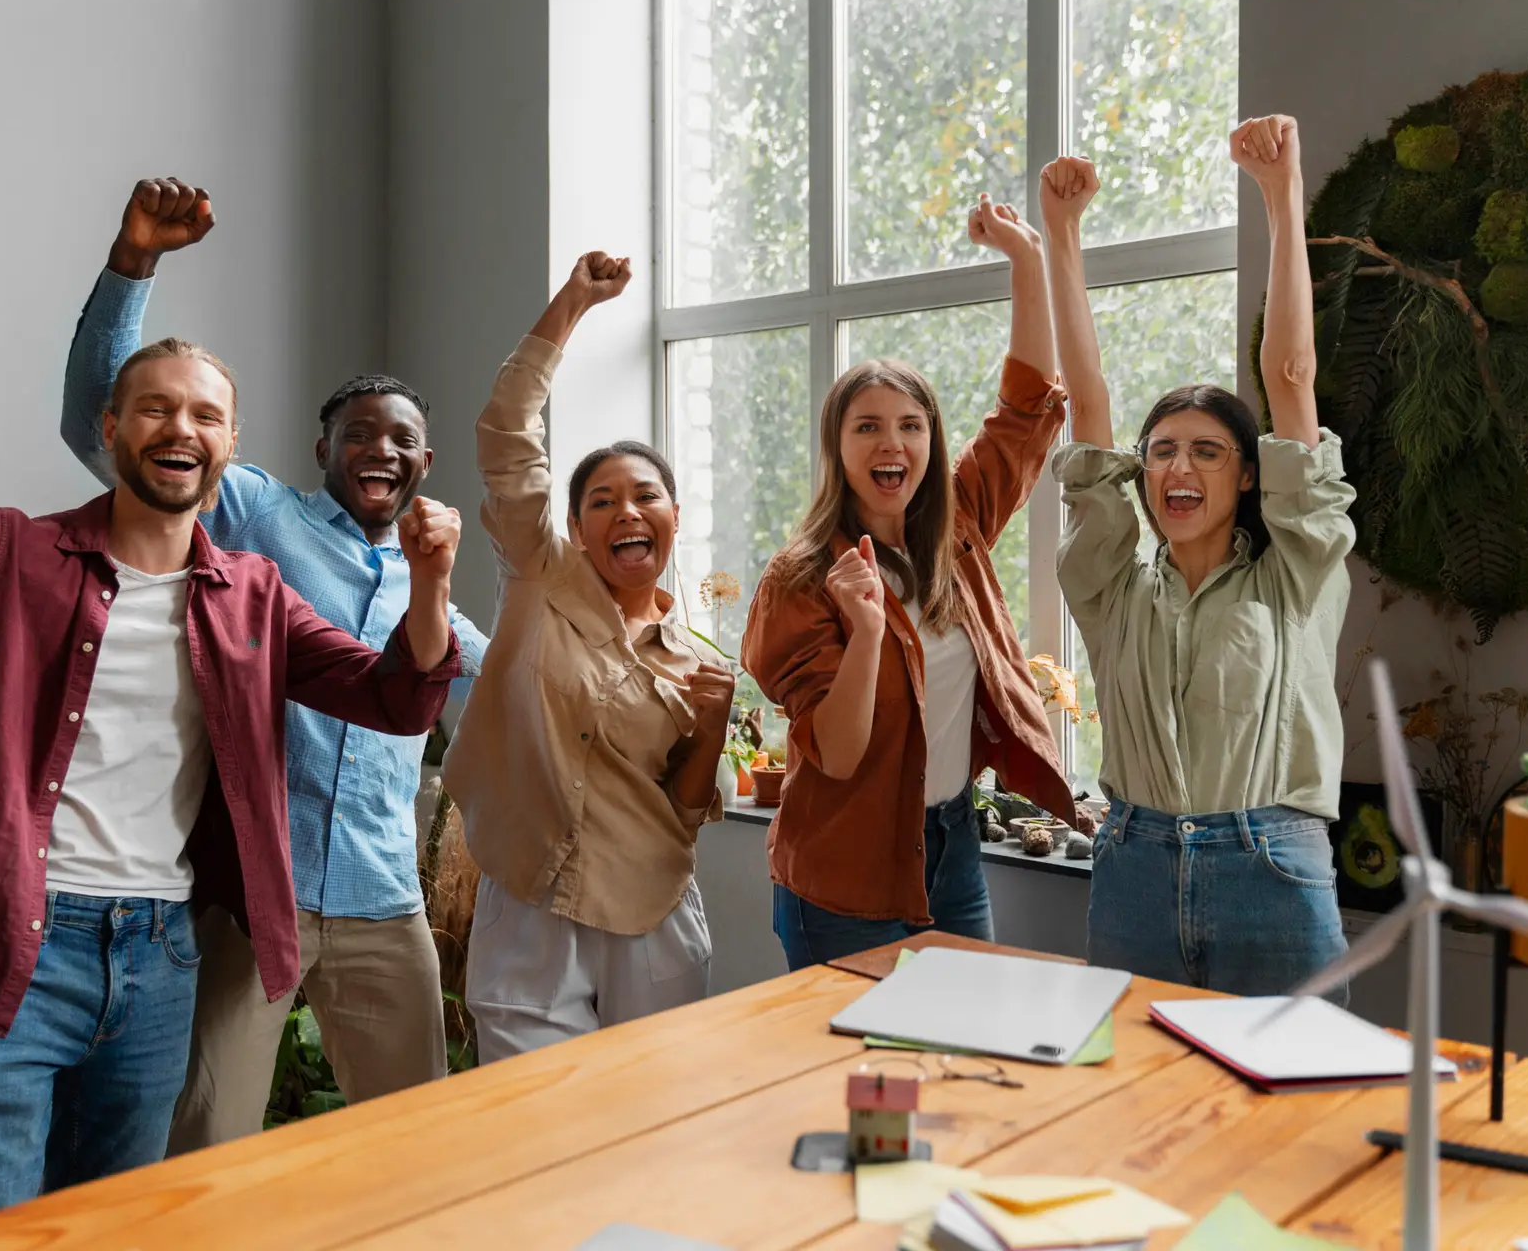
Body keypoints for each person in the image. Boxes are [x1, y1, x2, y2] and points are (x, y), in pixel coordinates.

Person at [0, 348, 462, 1230]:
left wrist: (429, 585)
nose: (179, 429)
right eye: (154, 409)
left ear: (230, 443)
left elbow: (394, 695)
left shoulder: (253, 595)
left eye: (204, 415)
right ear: (113, 429)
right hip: (8, 942)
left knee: (115, 1228)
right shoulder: (5, 548)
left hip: (159, 958)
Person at [58, 178, 489, 1150]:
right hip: (259, 897)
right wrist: (136, 262)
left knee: (419, 1146)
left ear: (424, 463)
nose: (382, 447)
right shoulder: (257, 513)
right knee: (206, 1143)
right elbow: (100, 415)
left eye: (403, 438)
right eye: (360, 431)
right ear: (319, 446)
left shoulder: (436, 587)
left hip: (387, 906)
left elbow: (527, 696)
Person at [1043, 115, 1354, 995]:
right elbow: (1089, 407)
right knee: (1139, 1119)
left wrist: (1282, 197)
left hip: (1274, 873)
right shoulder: (1112, 589)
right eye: (1163, 450)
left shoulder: (1295, 576)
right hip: (1133, 872)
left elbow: (1290, 378)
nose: (1178, 466)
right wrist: (1063, 236)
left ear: (1250, 478)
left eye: (1207, 450)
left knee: (1295, 1123)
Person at [742, 196, 1076, 971]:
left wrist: (1027, 262)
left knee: (956, 1063)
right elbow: (840, 751)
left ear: (931, 440)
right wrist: (863, 632)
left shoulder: (957, 534)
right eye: (867, 426)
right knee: (854, 1079)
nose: (892, 442)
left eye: (910, 425)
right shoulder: (799, 579)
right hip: (843, 870)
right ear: (838, 448)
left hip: (951, 850)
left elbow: (1025, 413)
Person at [445, 251, 733, 1061]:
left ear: (674, 515)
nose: (626, 511)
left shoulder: (692, 661)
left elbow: (683, 810)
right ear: (573, 526)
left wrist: (713, 727)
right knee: (535, 1128)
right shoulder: (542, 579)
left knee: (649, 1132)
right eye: (601, 501)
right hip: (528, 907)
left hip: (653, 913)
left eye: (645, 495)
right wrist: (572, 303)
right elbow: (505, 433)